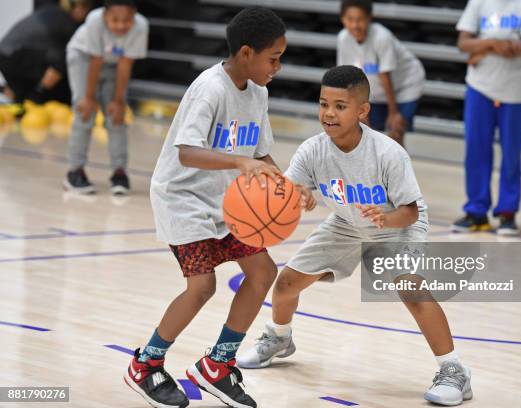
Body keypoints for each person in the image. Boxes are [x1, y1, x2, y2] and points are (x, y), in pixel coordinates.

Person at [237, 66, 473, 406]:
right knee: (287, 283)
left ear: (362, 111)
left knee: (410, 287)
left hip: (398, 225)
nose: (329, 113)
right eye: (323, 104)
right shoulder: (313, 150)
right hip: (346, 223)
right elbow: (289, 190)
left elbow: (411, 211)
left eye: (340, 106)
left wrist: (386, 218)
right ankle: (279, 338)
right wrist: (297, 197)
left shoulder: (388, 152)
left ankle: (454, 371)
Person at [123, 8, 302, 408]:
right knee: (202, 286)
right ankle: (145, 364)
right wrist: (239, 163)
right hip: (183, 198)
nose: (278, 66)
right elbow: (187, 152)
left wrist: (288, 188)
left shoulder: (258, 93)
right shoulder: (210, 88)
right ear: (245, 53)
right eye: (273, 58)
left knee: (262, 273)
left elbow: (259, 153)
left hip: (225, 201)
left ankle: (216, 365)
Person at [452, 0, 521, 236]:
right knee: (476, 151)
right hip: (479, 88)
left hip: (514, 92)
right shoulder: (478, 2)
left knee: (511, 154)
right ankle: (476, 212)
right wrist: (494, 43)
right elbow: (463, 42)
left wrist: (481, 49)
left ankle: (507, 213)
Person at [64, 0, 149, 195]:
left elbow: (125, 64)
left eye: (126, 20)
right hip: (83, 58)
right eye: (115, 20)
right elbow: (95, 60)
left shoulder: (141, 26)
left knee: (117, 116)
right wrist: (88, 97)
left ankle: (119, 172)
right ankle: (74, 171)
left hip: (114, 64)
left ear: (134, 15)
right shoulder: (94, 20)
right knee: (85, 113)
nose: (120, 25)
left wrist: (118, 101)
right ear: (104, 15)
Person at [337, 0, 425, 146]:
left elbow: (386, 77)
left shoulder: (381, 37)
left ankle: (398, 168)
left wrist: (393, 113)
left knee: (395, 132)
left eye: (360, 20)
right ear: (342, 19)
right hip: (376, 90)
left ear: (369, 18)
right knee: (369, 135)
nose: (355, 25)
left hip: (406, 85)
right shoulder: (343, 39)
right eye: (350, 20)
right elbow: (347, 77)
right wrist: (357, 110)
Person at [0, 0, 92, 106]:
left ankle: (16, 95)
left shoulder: (51, 12)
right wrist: (41, 91)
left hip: (5, 56)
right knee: (63, 62)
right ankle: (34, 98)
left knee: (20, 97)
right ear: (78, 7)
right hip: (19, 56)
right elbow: (61, 63)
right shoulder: (66, 22)